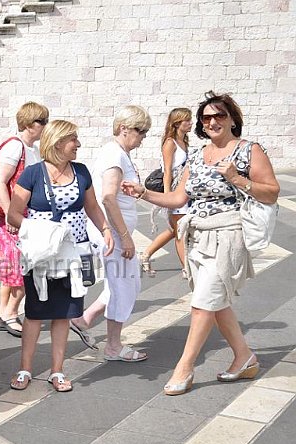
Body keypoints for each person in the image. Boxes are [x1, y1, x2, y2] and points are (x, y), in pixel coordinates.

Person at [122, 91, 279, 395]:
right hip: (198, 236)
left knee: (203, 303)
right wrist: (142, 193)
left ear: (233, 118)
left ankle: (185, 367)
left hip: (229, 235)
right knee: (215, 303)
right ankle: (244, 357)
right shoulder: (197, 156)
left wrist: (237, 178)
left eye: (219, 115)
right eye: (206, 118)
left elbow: (271, 192)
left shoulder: (249, 151)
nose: (212, 122)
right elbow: (178, 198)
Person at [8, 120, 113, 392]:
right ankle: (25, 369)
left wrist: (105, 230)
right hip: (42, 255)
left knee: (64, 314)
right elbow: (13, 214)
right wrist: (42, 231)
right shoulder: (32, 173)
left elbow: (92, 206)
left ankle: (57, 371)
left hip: (75, 253)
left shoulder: (81, 172)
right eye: (73, 139)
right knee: (34, 312)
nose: (78, 144)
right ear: (57, 143)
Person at [69, 106, 152, 362]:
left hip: (113, 230)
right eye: (140, 130)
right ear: (124, 128)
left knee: (124, 281)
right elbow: (107, 197)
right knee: (124, 285)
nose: (143, 137)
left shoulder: (117, 153)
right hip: (113, 233)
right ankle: (114, 346)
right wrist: (124, 237)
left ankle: (85, 319)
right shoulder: (115, 154)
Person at [0, 102, 49, 337]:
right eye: (41, 122)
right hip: (14, 216)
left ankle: (3, 313)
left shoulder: (31, 147)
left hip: (24, 216)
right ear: (27, 124)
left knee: (12, 267)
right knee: (23, 267)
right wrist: (9, 215)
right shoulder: (15, 147)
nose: (45, 126)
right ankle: (10, 314)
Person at [139, 108, 193, 277]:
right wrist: (168, 198)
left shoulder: (184, 140)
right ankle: (187, 269)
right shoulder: (170, 143)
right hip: (175, 192)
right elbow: (167, 172)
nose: (191, 123)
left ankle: (146, 254)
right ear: (177, 123)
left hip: (184, 191)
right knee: (179, 232)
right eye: (187, 120)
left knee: (174, 229)